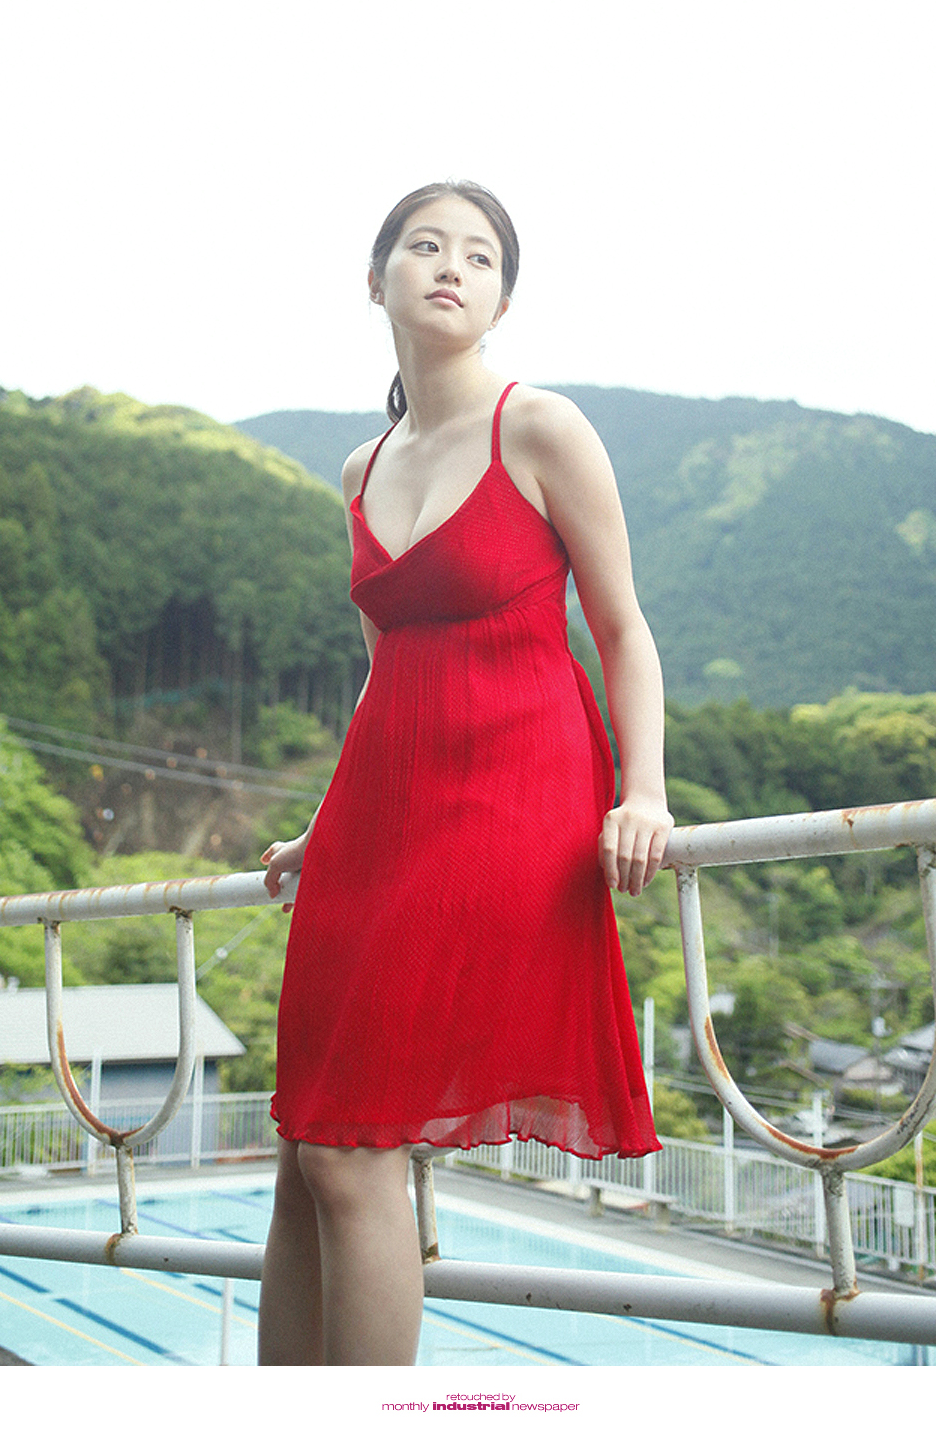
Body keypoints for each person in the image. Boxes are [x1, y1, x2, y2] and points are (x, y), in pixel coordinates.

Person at [256, 180, 673, 1366]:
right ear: (374, 277)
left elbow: (622, 628)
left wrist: (642, 789)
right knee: (303, 1148)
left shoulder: (540, 426)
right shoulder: (359, 467)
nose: (451, 265)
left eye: (479, 255)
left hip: (511, 787)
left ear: (501, 297)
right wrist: (325, 826)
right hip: (378, 820)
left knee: (348, 1152)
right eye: (425, 245)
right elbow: (382, 673)